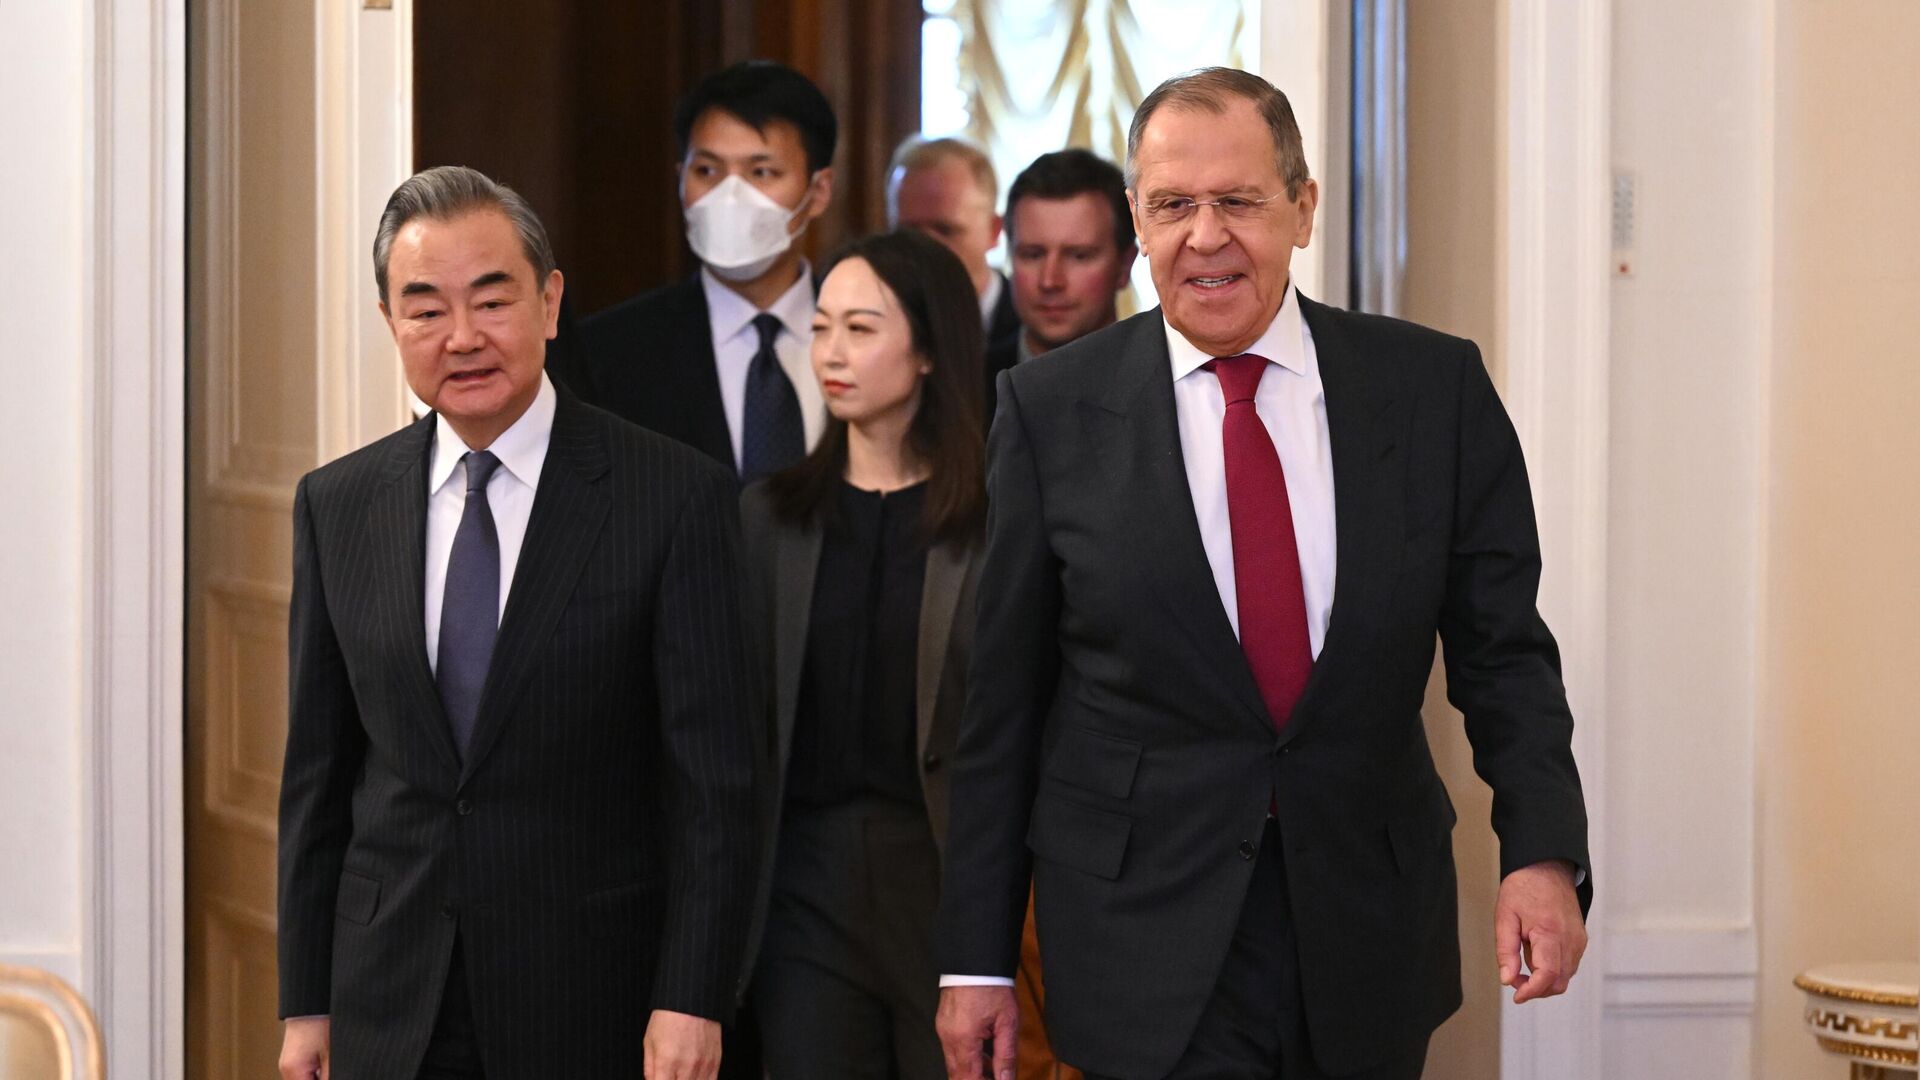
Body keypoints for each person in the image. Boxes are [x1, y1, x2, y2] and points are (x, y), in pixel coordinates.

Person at [934, 68, 1592, 1080]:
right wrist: (976, 960)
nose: (1206, 237)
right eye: (1172, 206)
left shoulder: (1431, 389)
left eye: (1238, 201)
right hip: (1138, 937)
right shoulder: (1050, 411)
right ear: (1137, 222)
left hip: (1367, 927)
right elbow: (1003, 709)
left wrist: (1542, 852)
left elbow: (1504, 655)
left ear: (1303, 208)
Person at [276, 166, 758, 1080]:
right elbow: (317, 779)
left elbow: (714, 788)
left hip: (593, 994)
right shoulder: (336, 505)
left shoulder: (671, 496)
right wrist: (307, 999)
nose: (462, 337)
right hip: (389, 995)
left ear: (549, 302)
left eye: (492, 301)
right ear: (390, 321)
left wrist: (693, 994)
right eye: (426, 309)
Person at [739, 229, 987, 1079]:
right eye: (820, 328)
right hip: (804, 882)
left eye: (861, 329)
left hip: (946, 874)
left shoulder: (993, 520)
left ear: (928, 351)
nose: (830, 353)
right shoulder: (771, 517)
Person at [563, 60, 837, 482]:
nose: (730, 196)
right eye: (707, 171)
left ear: (818, 192)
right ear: (680, 178)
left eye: (761, 172)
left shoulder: (873, 344)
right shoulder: (607, 353)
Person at [988, 148, 1139, 415]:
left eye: (1079, 256)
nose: (1050, 281)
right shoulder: (960, 389)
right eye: (1032, 255)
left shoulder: (1163, 386)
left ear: (1125, 265)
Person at [887, 137, 1020, 358]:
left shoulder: (1032, 334)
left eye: (945, 230)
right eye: (908, 232)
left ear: (994, 230)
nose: (924, 248)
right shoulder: (877, 326)